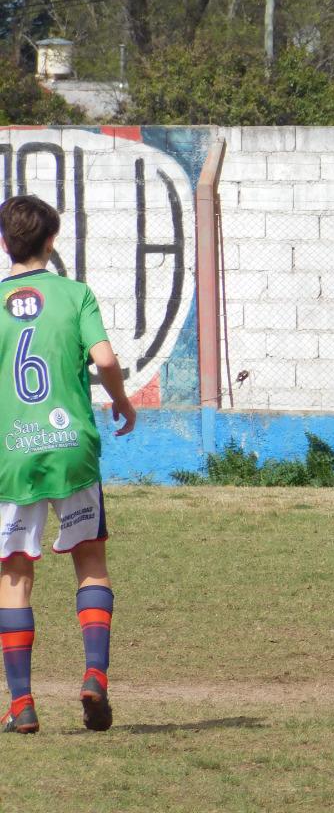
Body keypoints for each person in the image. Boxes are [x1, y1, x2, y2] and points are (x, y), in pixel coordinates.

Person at [0, 195, 136, 734]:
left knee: (14, 573)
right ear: (52, 241)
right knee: (90, 561)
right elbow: (103, 360)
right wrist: (122, 403)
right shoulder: (75, 294)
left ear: (5, 242)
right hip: (72, 446)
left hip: (10, 453)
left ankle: (22, 705)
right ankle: (95, 677)